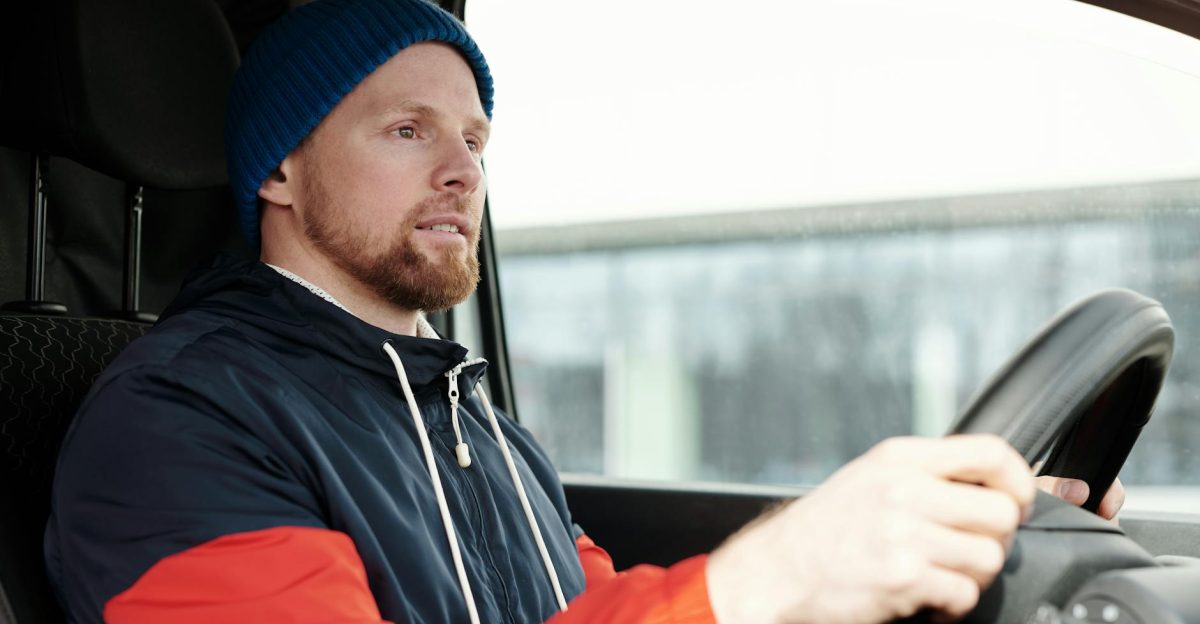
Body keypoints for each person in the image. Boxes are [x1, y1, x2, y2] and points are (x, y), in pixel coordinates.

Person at [44, 0, 1125, 622]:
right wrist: (779, 578)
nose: (463, 171)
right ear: (279, 168)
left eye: (475, 139)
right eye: (408, 131)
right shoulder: (175, 422)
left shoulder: (480, 426)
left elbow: (593, 613)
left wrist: (910, 551)